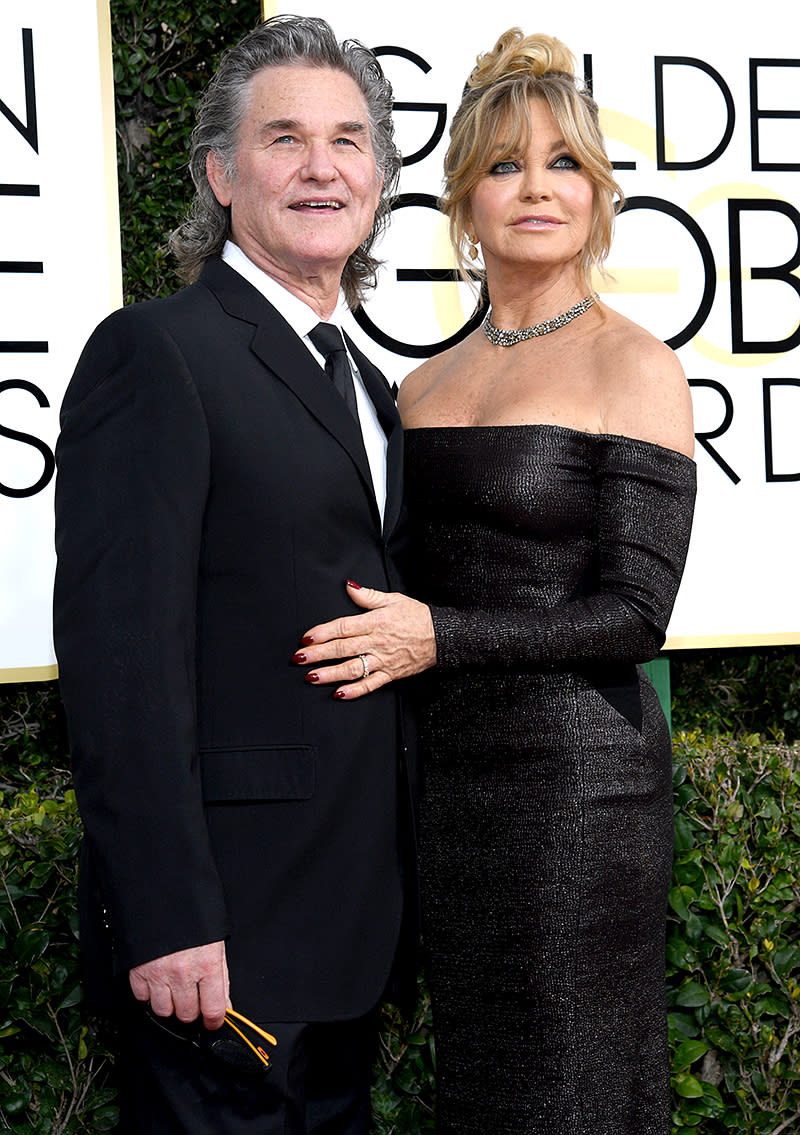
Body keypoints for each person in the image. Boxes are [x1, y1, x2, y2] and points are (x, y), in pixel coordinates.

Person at [294, 28, 697, 1135]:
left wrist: (442, 640)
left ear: (597, 195)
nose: (535, 189)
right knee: (475, 1087)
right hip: (446, 788)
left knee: (567, 1088)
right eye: (505, 165)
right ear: (464, 201)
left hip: (579, 790)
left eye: (564, 162)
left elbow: (634, 615)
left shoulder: (634, 363)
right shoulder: (420, 388)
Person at [53, 15, 415, 1135]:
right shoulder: (156, 352)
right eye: (285, 139)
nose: (322, 168)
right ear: (218, 171)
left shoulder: (373, 378)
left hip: (351, 929)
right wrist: (165, 917)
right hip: (223, 939)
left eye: (349, 140)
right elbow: (121, 662)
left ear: (380, 177)